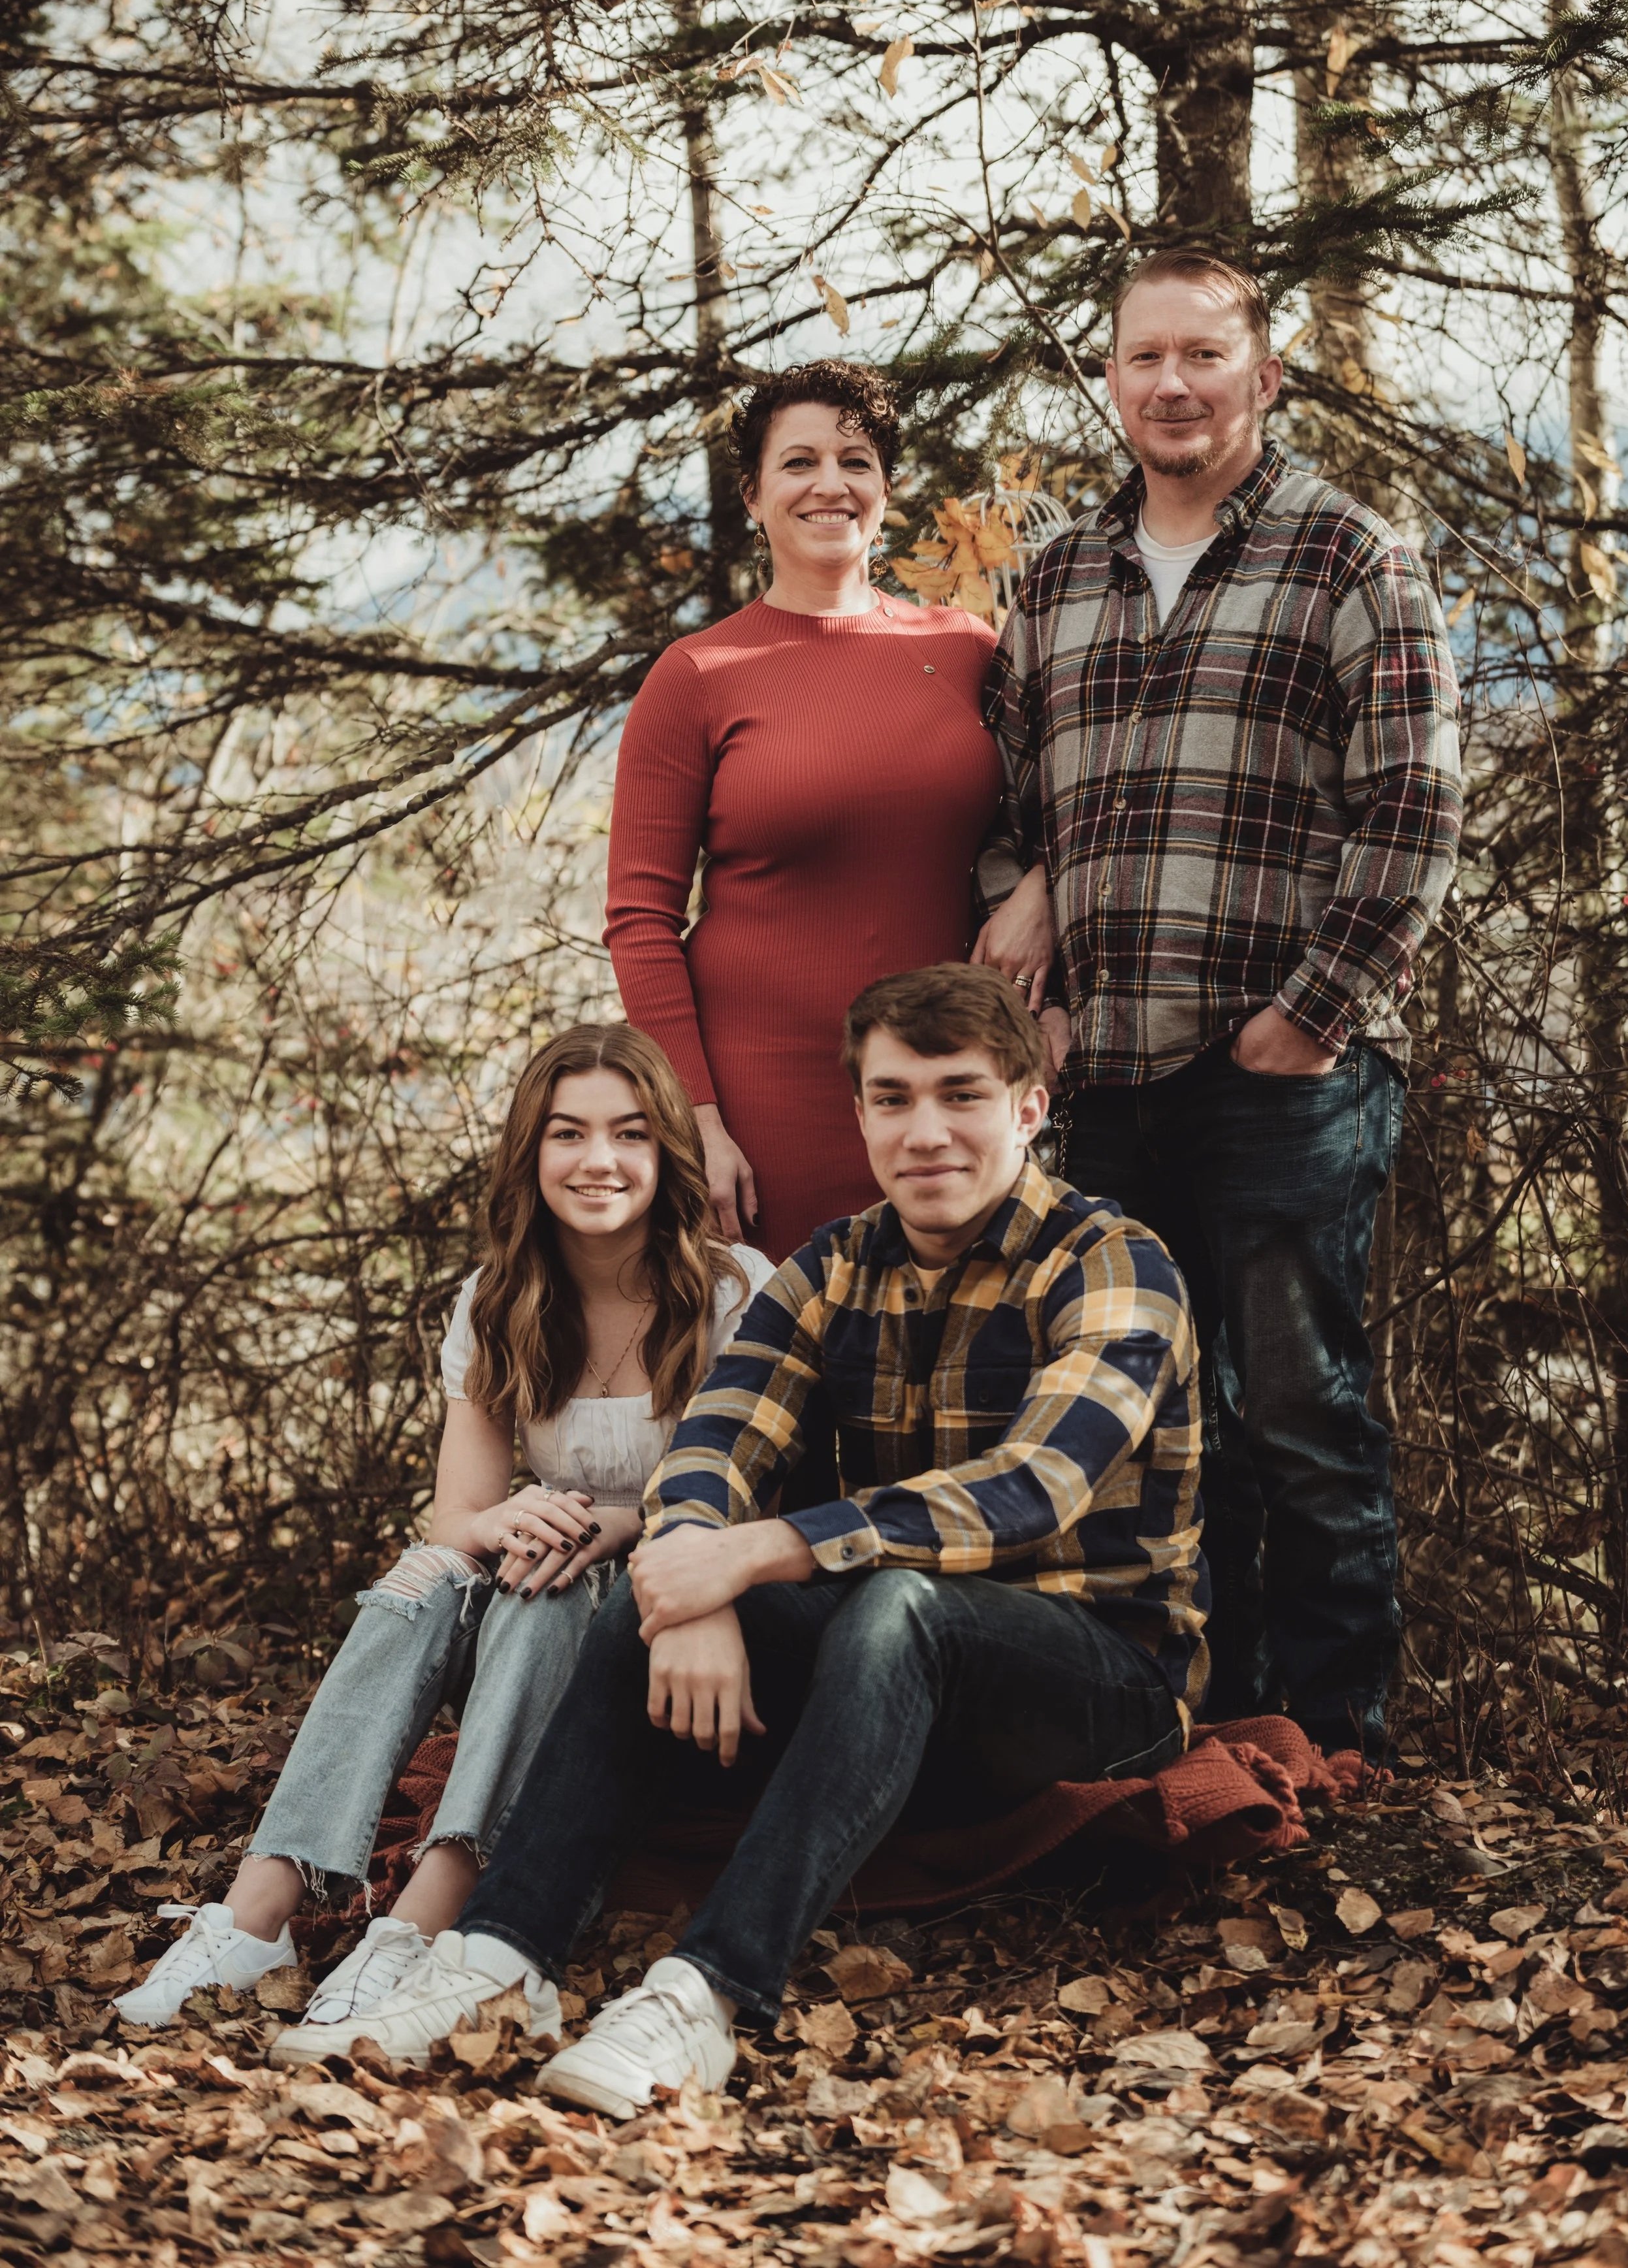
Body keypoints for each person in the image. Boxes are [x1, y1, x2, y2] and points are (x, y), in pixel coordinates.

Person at [304, 963, 1207, 2098]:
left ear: (1029, 1107)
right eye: (893, 1098)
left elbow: (1032, 1488)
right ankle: (499, 1955)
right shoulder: (833, 1267)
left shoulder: (1114, 1263)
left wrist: (752, 1554)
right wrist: (691, 1579)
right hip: (889, 1685)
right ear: (861, 1113)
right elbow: (713, 1447)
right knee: (660, 1584)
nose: (925, 1131)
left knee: (895, 1603)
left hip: (1099, 1682)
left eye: (962, 1095)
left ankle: (704, 1995)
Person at [973, 248, 1462, 1757]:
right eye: (1144, 357)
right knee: (1152, 1422)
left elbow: (1414, 808)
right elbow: (1004, 808)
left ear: (1263, 372)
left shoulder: (1346, 556)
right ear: (1110, 379)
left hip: (1283, 1076)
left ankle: (1334, 1741)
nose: (1172, 384)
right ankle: (1201, 1735)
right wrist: (1035, 931)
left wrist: (1310, 1013)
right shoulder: (1057, 575)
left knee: (1300, 1419)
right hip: (1105, 1077)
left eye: (1202, 354)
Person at [116, 1024, 772, 2040]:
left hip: (682, 1611)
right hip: (538, 1603)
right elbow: (457, 1517)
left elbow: (761, 1503)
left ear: (668, 1150)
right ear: (532, 1152)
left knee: (550, 1577)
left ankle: (423, 1921)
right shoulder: (498, 1299)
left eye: (630, 1132)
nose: (597, 1159)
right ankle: (258, 1911)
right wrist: (504, 1517)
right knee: (433, 1570)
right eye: (568, 1133)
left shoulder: (734, 1292)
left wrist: (619, 1519)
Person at [604, 359, 1002, 1261]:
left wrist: (1042, 896)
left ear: (886, 490)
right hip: (762, 1105)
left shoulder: (967, 652)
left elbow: (1054, 820)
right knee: (786, 1340)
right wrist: (696, 1120)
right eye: (799, 462)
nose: (831, 484)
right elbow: (640, 921)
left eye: (856, 462)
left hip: (943, 1091)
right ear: (752, 495)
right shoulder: (696, 676)